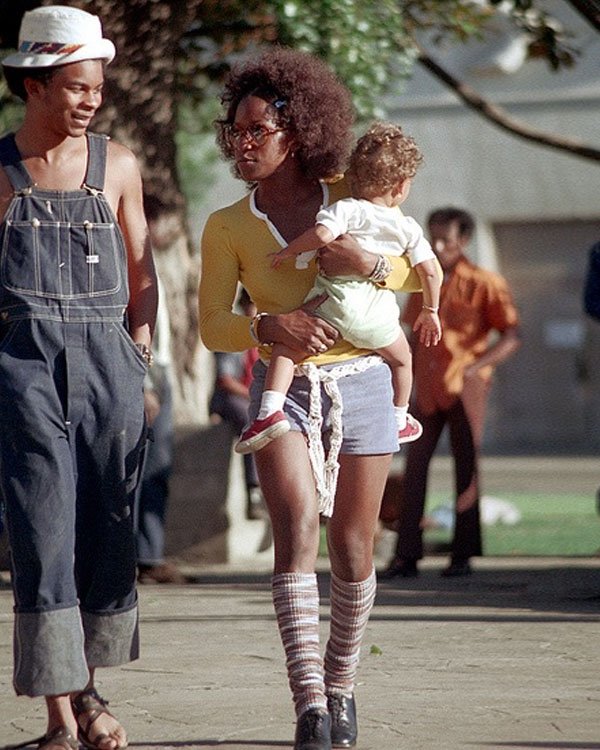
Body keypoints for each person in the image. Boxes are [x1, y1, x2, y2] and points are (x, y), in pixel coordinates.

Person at [199, 46, 431, 750]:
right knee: (297, 522)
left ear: (297, 134)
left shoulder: (350, 200)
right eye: (233, 131)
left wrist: (370, 264)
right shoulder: (225, 227)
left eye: (256, 131)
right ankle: (309, 706)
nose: (240, 144)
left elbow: (414, 280)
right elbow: (214, 326)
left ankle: (343, 684)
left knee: (355, 547)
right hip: (284, 390)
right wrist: (267, 324)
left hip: (365, 384)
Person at [0, 6, 158, 750]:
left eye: (96, 87)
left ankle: (88, 685)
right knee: (42, 534)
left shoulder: (119, 165)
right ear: (33, 85)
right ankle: (64, 718)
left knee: (107, 535)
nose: (90, 100)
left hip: (109, 366)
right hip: (23, 368)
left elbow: (142, 270)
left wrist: (141, 351)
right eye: (75, 87)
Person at [235, 121, 441, 455]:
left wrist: (289, 251)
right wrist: (431, 311)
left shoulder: (346, 209)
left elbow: (321, 236)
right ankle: (400, 416)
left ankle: (269, 410)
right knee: (403, 361)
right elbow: (430, 273)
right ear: (402, 188)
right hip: (377, 319)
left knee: (286, 351)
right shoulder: (406, 226)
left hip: (334, 306)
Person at [381, 207, 520, 579]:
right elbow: (411, 334)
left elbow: (511, 333)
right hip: (426, 387)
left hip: (465, 384)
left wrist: (477, 367)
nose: (438, 245)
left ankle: (462, 556)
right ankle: (406, 556)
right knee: (414, 469)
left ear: (465, 240)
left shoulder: (484, 282)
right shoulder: (423, 279)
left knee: (466, 468)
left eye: (446, 238)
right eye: (433, 237)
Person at [209, 287, 267, 519]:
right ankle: (253, 490)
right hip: (231, 399)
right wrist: (253, 395)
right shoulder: (235, 333)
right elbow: (226, 380)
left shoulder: (266, 337)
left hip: (253, 395)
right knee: (249, 419)